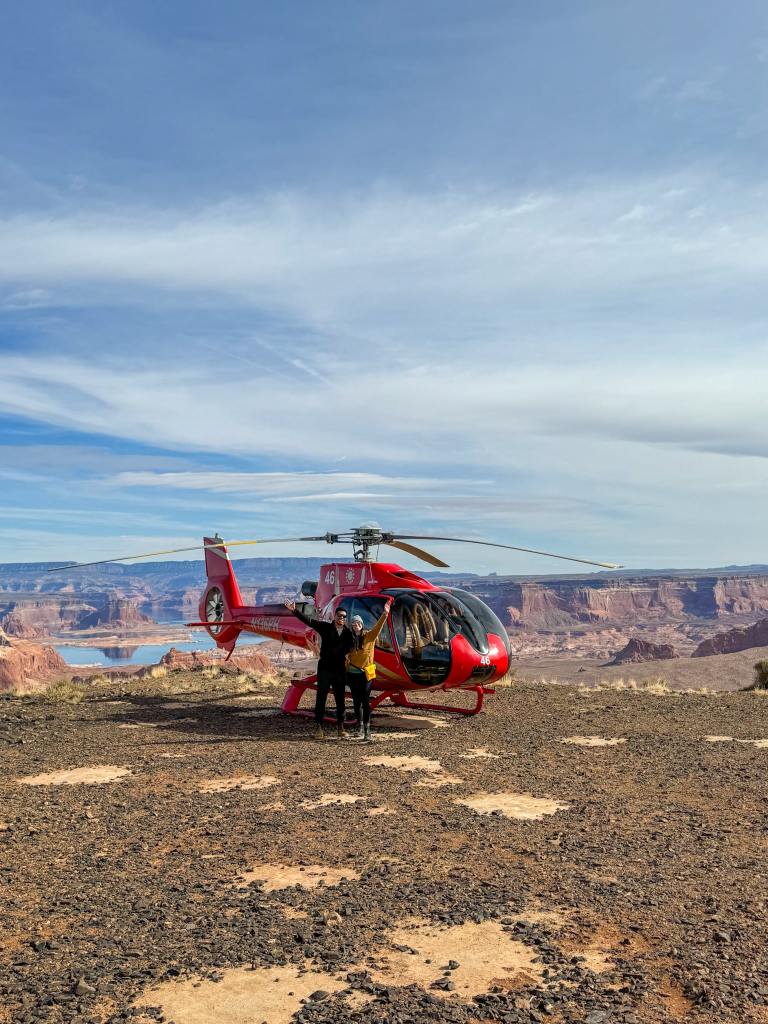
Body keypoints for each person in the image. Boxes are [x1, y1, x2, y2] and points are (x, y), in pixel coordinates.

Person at [285, 600, 354, 740]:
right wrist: (294, 611)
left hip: (339, 670)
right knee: (321, 698)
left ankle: (341, 727)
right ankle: (319, 728)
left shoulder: (348, 634)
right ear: (335, 616)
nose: (342, 618)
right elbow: (310, 621)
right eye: (339, 616)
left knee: (340, 700)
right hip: (325, 669)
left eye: (344, 617)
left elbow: (354, 646)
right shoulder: (325, 627)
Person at [346, 599, 393, 741]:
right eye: (354, 623)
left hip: (365, 675)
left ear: (361, 624)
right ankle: (359, 727)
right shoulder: (349, 639)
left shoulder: (369, 636)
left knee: (365, 702)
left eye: (358, 623)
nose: (356, 625)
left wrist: (385, 614)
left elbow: (378, 627)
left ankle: (367, 730)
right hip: (352, 674)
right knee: (356, 702)